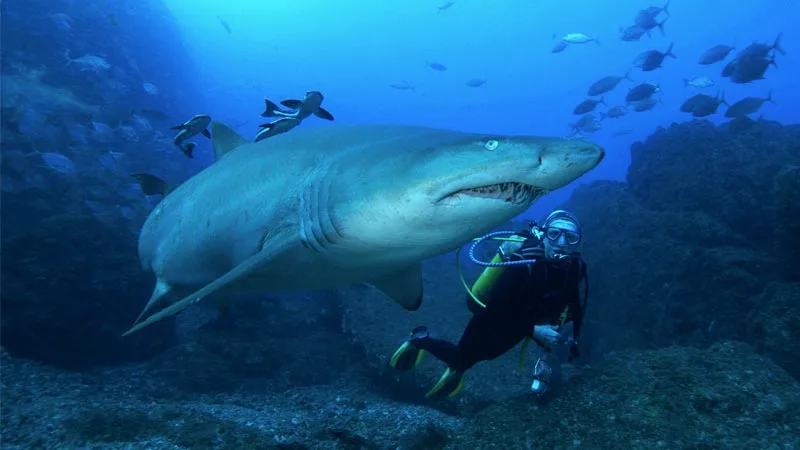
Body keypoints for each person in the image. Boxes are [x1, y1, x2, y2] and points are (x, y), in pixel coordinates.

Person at [389, 210, 589, 398]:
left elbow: (574, 303)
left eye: (570, 237)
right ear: (543, 235)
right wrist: (534, 330)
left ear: (577, 243)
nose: (562, 243)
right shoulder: (522, 264)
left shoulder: (575, 269)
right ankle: (420, 339)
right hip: (492, 320)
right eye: (554, 234)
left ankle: (458, 367)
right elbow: (493, 309)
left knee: (487, 355)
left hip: (521, 326)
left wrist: (575, 338)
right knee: (461, 356)